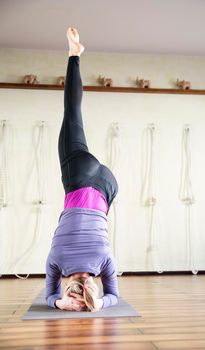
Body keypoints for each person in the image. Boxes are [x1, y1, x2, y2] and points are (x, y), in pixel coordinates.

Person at [45, 27, 119, 312]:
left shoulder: (105, 261)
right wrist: (60, 303)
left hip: (108, 188)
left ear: (92, 287)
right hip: (80, 177)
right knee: (72, 112)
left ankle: (76, 55)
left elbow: (113, 296)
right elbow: (48, 296)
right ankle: (74, 56)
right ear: (68, 285)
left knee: (102, 220)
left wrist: (99, 303)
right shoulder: (56, 260)